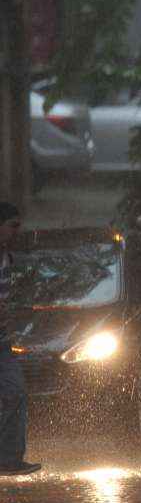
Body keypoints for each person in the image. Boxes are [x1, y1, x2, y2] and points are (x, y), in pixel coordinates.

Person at [0, 203, 37, 476]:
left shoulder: (8, 258)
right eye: (12, 226)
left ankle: (10, 459)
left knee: (16, 392)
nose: (16, 232)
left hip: (2, 342)